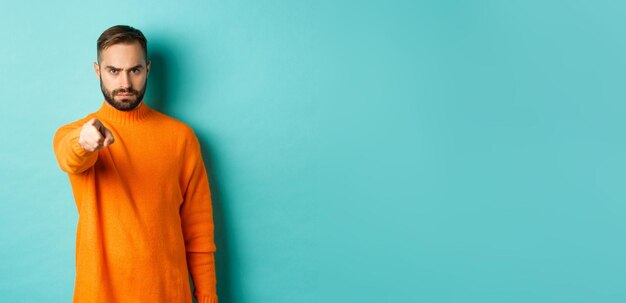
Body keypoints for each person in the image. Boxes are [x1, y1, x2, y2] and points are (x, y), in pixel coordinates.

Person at [52, 25, 218, 303]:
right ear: (98, 71)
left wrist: (207, 296)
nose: (125, 83)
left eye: (135, 70)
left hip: (168, 294)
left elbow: (198, 232)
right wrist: (85, 142)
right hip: (99, 295)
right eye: (113, 71)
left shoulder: (181, 138)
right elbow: (69, 156)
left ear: (148, 69)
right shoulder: (77, 132)